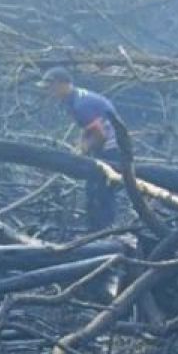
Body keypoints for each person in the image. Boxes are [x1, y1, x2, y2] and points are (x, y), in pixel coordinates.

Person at [41, 66, 121, 231]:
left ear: (63, 84)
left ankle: (106, 232)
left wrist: (84, 150)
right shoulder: (73, 100)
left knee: (101, 192)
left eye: (51, 87)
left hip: (111, 149)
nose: (49, 92)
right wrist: (80, 144)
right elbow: (88, 128)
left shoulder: (80, 104)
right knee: (92, 190)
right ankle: (96, 231)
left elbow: (100, 134)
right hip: (103, 147)